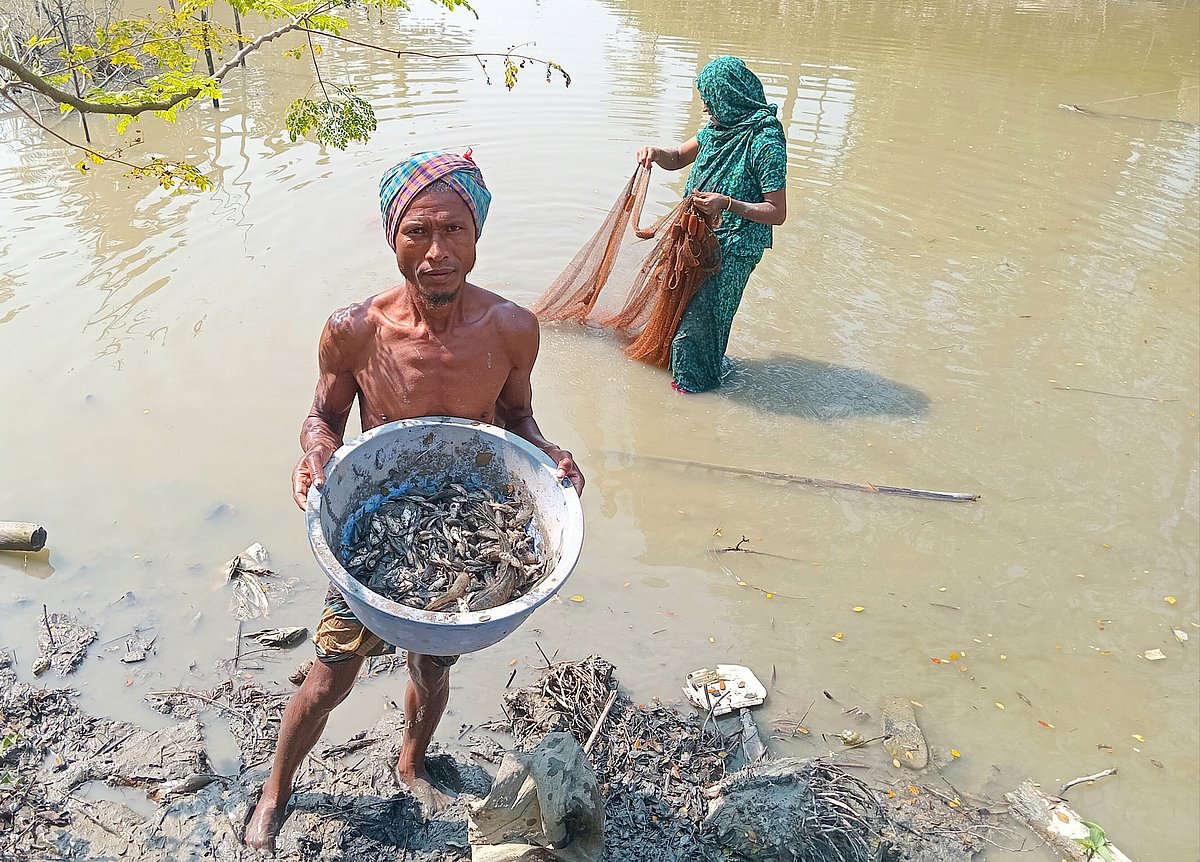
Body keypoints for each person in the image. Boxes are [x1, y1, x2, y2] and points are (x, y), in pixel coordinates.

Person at [244, 150, 584, 852]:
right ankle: (276, 791)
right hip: (379, 529)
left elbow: (519, 420)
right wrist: (313, 456)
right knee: (328, 675)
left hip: (462, 518)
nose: (437, 253)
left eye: (454, 230)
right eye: (418, 232)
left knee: (432, 666)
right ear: (391, 237)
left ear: (477, 234)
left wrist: (547, 452)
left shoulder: (512, 328)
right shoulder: (354, 330)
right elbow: (322, 418)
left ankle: (411, 759)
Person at [636, 55, 788, 394]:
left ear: (729, 97)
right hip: (698, 239)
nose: (705, 110)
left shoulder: (765, 142)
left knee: (699, 324)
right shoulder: (716, 130)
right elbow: (676, 157)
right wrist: (654, 153)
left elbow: (776, 211)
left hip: (735, 247)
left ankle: (694, 397)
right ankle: (697, 375)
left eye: (710, 102)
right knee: (680, 314)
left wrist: (726, 203)